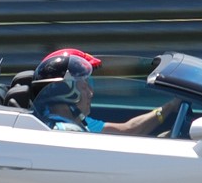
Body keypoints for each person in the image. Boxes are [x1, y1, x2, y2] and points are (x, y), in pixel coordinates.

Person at [30, 50, 182, 135]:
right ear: (64, 89)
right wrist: (171, 106)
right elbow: (129, 131)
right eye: (84, 86)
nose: (90, 93)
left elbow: (127, 130)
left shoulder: (76, 121)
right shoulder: (66, 132)